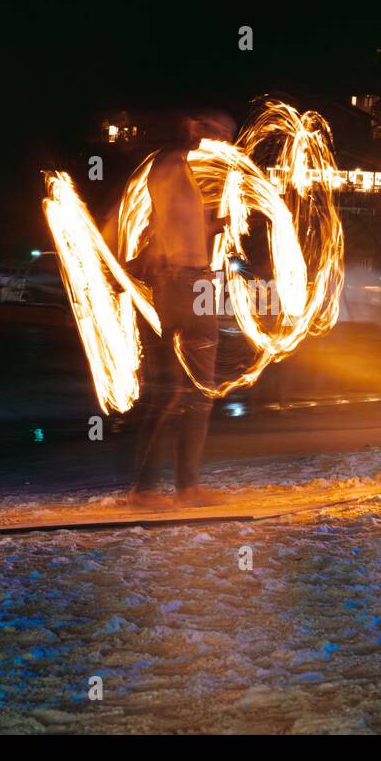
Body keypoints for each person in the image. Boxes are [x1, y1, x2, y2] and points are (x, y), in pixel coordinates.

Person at [126, 108, 236, 508]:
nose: (225, 143)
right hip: (186, 284)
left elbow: (176, 227)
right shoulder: (171, 163)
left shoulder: (183, 173)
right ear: (193, 127)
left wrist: (216, 226)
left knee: (176, 393)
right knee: (191, 392)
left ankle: (151, 488)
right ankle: (178, 488)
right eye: (219, 133)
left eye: (228, 135)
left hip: (189, 280)